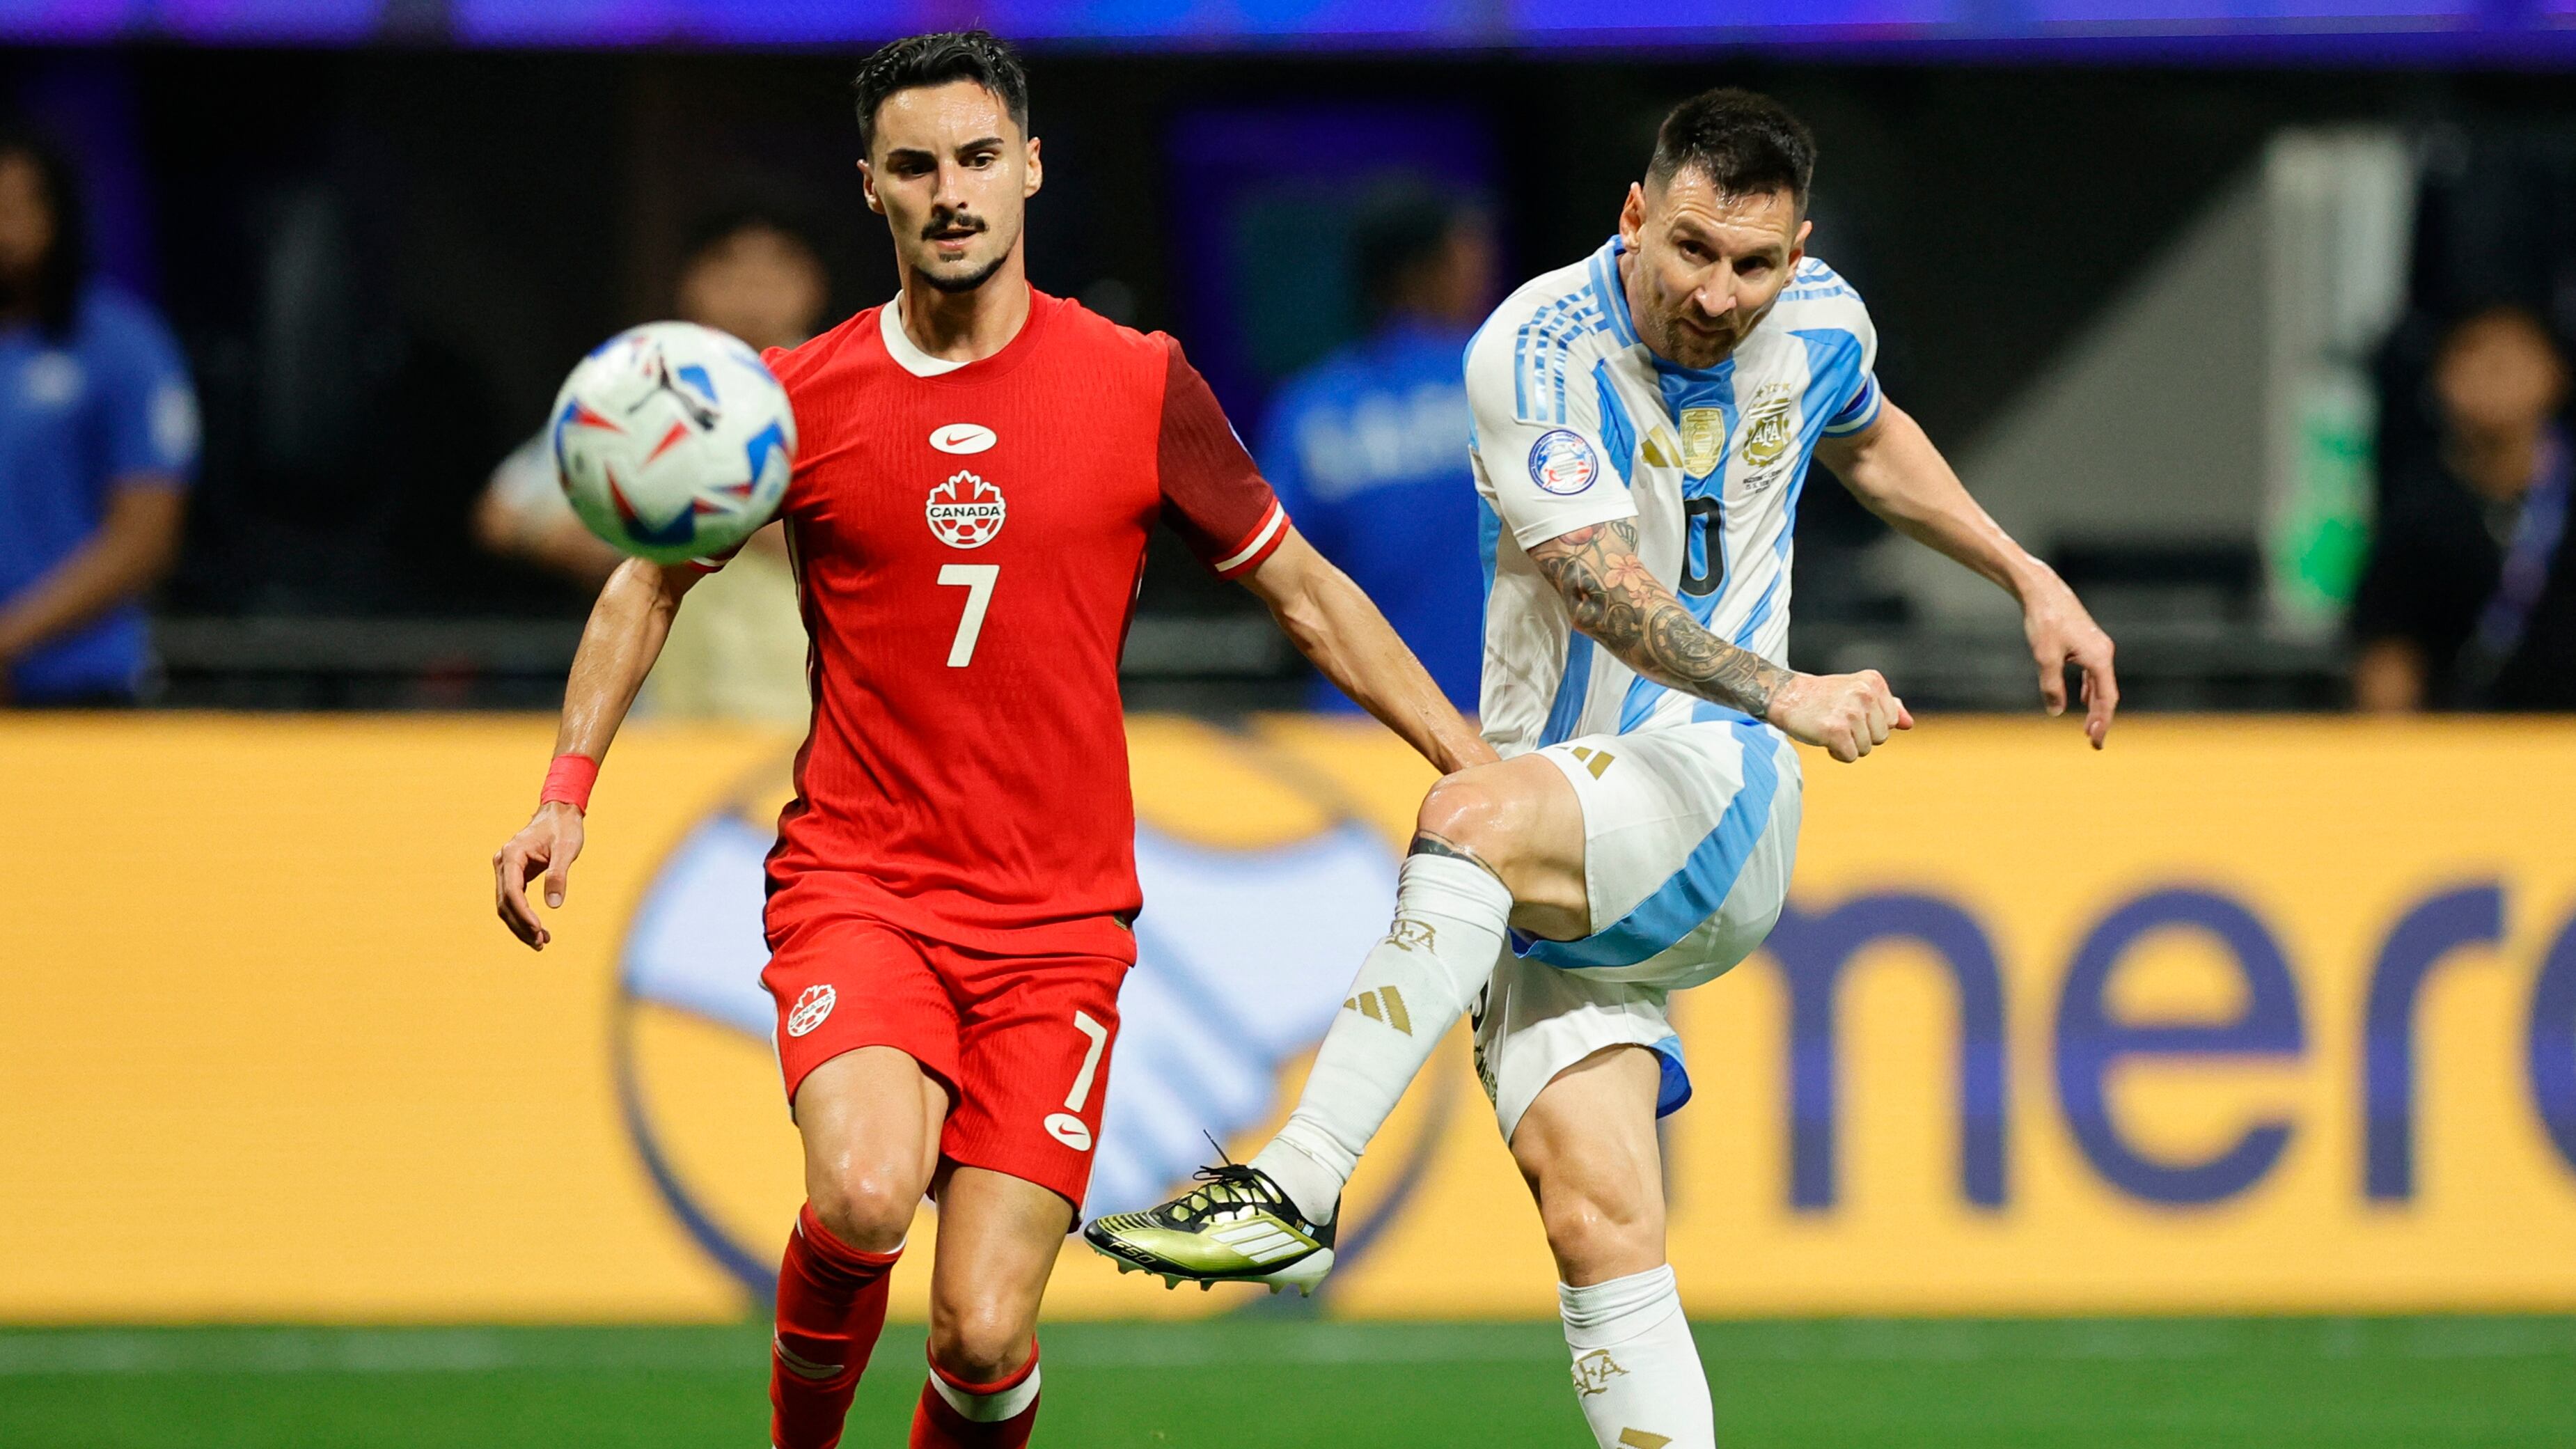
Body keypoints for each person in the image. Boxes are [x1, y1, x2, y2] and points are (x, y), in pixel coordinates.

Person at [487, 31, 1489, 1449]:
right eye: (913, 166)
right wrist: (563, 792)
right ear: (871, 188)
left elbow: (1306, 593)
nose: (948, 191)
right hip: (862, 883)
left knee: (981, 1329)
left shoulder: (1138, 385)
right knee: (861, 1189)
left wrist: (1465, 756)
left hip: (1058, 921)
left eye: (973, 158)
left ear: (1027, 166)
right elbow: (644, 580)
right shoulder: (792, 403)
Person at [1085, 89, 2118, 1449]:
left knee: (1465, 813)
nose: (1718, 292)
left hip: (1709, 788)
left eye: (1754, 263)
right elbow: (1592, 577)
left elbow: (1868, 434)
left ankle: (1291, 1185)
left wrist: (2023, 574)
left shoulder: (1817, 324)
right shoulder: (1532, 348)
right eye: (1690, 247)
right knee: (1599, 1217)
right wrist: (1790, 683)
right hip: (1566, 826)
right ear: (1630, 215)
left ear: (1795, 255)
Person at [477, 207, 830, 723]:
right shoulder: (644, 386)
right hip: (669, 718)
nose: (754, 293)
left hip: (806, 714)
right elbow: (502, 512)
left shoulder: (840, 387)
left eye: (776, 271)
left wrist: (732, 504)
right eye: (731, 271)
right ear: (692, 282)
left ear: (812, 284)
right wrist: (638, 522)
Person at [1258, 194, 1496, 711]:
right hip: (1506, 738)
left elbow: (1268, 577)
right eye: (1467, 255)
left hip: (1359, 734)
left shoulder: (1310, 410)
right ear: (1426, 270)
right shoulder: (1507, 381)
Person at [0, 127, 196, 707]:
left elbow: (146, 535)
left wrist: (9, 638)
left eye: (13, 208)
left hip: (81, 691)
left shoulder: (121, 345)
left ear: (58, 217)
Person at [2353, 304, 2576, 712]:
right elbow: (2389, 655)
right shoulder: (2419, 511)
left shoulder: (2563, 498)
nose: (2485, 377)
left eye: (2504, 362)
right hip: (2458, 749)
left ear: (2553, 372)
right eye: (2465, 357)